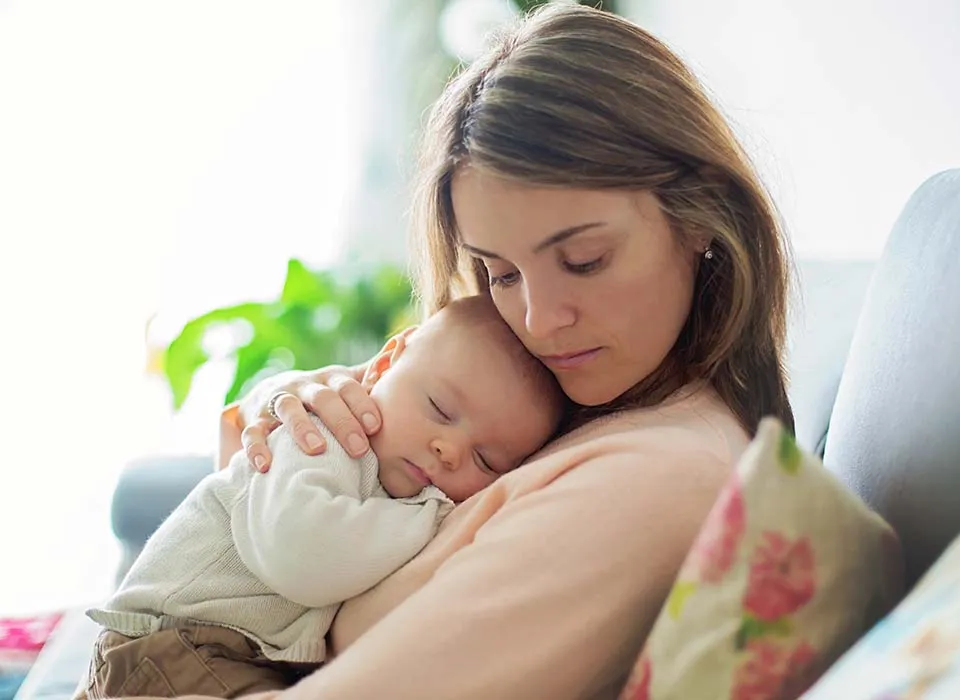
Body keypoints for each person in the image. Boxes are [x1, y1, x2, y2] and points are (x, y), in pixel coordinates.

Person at [113, 3, 796, 699]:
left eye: (584, 259)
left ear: (702, 221)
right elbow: (238, 481)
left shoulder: (658, 476)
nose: (538, 318)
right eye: (500, 272)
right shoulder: (572, 387)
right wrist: (289, 414)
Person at [78, 296, 563, 699]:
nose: (450, 450)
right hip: (170, 644)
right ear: (383, 365)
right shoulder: (324, 438)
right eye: (439, 408)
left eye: (487, 460)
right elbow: (304, 557)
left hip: (217, 651)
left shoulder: (384, 473)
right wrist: (431, 517)